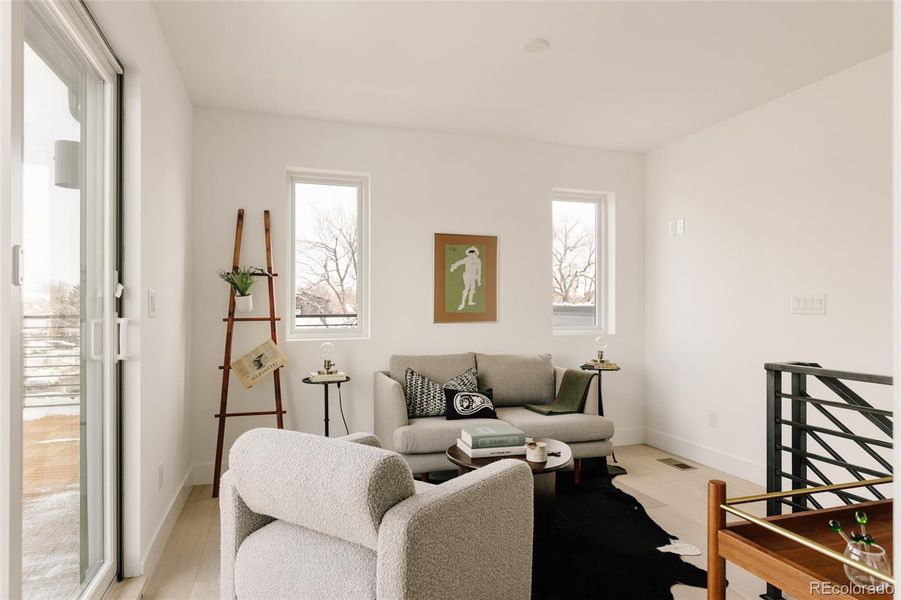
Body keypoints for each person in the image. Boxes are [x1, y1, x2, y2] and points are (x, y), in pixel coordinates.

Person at [449, 246, 481, 311]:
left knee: (472, 288)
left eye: (472, 254)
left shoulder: (478, 260)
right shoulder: (467, 259)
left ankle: (470, 301)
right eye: (470, 254)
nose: (471, 255)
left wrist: (478, 280)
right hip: (467, 276)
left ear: (475, 254)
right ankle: (462, 303)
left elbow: (479, 270)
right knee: (467, 288)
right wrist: (454, 266)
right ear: (468, 254)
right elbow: (459, 262)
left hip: (473, 276)